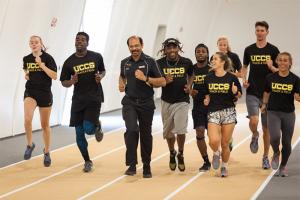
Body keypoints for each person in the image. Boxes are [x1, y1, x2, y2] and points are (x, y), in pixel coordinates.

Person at [119, 36, 166, 178]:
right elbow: (122, 76)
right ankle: (132, 165)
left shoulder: (150, 62)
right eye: (131, 46)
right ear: (128, 47)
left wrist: (145, 78)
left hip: (146, 103)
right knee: (132, 130)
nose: (134, 49)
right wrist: (121, 83)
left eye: (137, 45)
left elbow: (162, 82)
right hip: (130, 102)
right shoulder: (124, 63)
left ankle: (147, 166)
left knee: (145, 134)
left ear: (142, 45)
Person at [60, 32, 105, 172]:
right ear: (75, 42)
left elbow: (103, 71)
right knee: (79, 133)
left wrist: (100, 76)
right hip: (78, 100)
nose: (80, 41)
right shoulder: (69, 62)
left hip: (94, 98)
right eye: (77, 39)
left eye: (83, 40)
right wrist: (71, 81)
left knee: (88, 129)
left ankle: (97, 125)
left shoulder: (96, 56)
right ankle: (87, 161)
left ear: (88, 43)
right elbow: (63, 82)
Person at [242, 21, 280, 169]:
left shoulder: (273, 49)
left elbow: (281, 71)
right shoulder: (249, 49)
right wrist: (244, 80)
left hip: (268, 93)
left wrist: (271, 67)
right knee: (253, 121)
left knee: (266, 128)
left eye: (262, 30)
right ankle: (254, 135)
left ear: (267, 32)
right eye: (257, 30)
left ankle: (265, 157)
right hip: (252, 90)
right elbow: (244, 67)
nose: (259, 32)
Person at [157, 38, 194, 172]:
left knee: (181, 130)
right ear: (165, 50)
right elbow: (154, 81)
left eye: (174, 47)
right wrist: (163, 81)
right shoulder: (159, 63)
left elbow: (191, 74)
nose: (172, 50)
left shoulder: (186, 62)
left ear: (178, 48)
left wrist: (189, 85)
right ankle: (172, 152)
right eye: (169, 48)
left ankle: (181, 153)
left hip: (182, 101)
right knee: (168, 133)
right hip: (166, 101)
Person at [261, 52, 300, 177]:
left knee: (287, 143)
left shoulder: (295, 79)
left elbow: (298, 97)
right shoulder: (270, 77)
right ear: (277, 62)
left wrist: (298, 97)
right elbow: (266, 92)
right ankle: (276, 152)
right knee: (274, 137)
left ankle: (283, 166)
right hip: (273, 112)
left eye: (285, 60)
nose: (283, 63)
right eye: (280, 60)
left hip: (288, 114)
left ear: (290, 63)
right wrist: (264, 104)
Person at [204, 52, 242, 177]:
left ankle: (224, 166)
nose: (212, 61)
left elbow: (238, 96)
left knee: (225, 144)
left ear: (222, 62)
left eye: (215, 59)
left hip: (228, 112)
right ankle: (216, 152)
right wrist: (207, 98)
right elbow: (206, 93)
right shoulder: (208, 77)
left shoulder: (232, 78)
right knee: (213, 140)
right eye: (212, 59)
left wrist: (236, 93)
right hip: (213, 111)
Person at [23, 35, 57, 167]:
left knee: (45, 125)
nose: (33, 44)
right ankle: (30, 145)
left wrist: (41, 65)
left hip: (45, 94)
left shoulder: (48, 58)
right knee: (27, 119)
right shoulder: (26, 59)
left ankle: (47, 151)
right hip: (31, 92)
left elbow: (54, 76)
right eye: (31, 42)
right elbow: (26, 70)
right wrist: (27, 74)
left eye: (36, 42)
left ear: (41, 43)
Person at [190, 43, 211, 171]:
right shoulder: (192, 69)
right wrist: (190, 91)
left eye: (203, 51)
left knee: (213, 136)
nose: (200, 53)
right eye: (198, 51)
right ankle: (206, 161)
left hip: (212, 106)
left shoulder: (211, 69)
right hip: (198, 106)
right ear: (195, 54)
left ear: (207, 54)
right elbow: (188, 86)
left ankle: (218, 152)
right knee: (200, 131)